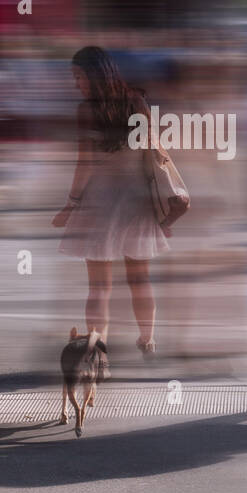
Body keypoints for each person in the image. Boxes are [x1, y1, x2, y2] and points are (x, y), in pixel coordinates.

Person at [53, 46, 168, 364]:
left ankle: (96, 350)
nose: (77, 84)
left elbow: (85, 164)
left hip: (99, 204)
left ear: (94, 74)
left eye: (78, 77)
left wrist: (71, 204)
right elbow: (154, 152)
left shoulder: (87, 111)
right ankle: (148, 340)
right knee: (139, 279)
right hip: (137, 202)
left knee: (99, 286)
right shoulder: (138, 102)